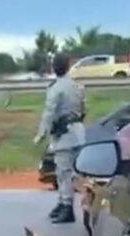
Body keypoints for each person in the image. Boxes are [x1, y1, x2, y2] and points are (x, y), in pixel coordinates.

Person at [35, 52, 86, 224]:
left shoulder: (56, 88)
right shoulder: (77, 86)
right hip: (78, 133)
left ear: (53, 67)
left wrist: (41, 134)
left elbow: (49, 113)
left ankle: (67, 206)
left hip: (64, 136)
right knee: (71, 173)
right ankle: (62, 203)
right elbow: (83, 109)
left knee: (63, 173)